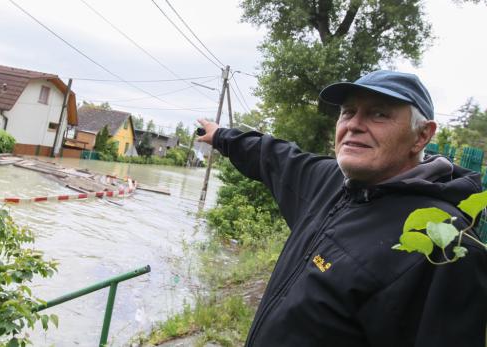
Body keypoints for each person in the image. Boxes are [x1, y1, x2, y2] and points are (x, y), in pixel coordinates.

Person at [197, 70, 487, 347]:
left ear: (422, 135)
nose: (354, 125)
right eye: (348, 112)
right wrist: (222, 136)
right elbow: (274, 156)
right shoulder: (331, 181)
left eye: (379, 113)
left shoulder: (444, 244)